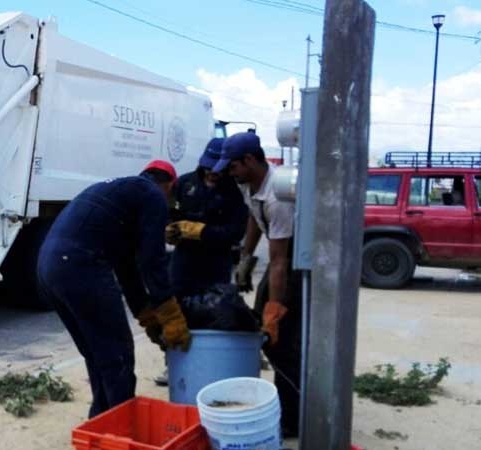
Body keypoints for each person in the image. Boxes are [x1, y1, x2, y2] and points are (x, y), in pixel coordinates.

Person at [37, 160, 192, 418]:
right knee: (117, 355)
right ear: (169, 186)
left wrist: (145, 315)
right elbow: (152, 260)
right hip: (80, 265)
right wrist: (169, 313)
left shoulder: (122, 195)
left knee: (98, 353)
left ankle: (101, 421)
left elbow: (127, 268)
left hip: (47, 266)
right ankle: (122, 428)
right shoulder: (153, 195)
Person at [213, 132, 302, 438]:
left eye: (233, 166)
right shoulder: (250, 185)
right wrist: (246, 257)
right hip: (281, 261)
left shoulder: (279, 197)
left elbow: (279, 261)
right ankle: (285, 406)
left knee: (282, 341)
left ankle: (293, 420)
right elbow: (254, 218)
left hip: (297, 264)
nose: (230, 172)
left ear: (250, 160)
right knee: (267, 333)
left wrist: (274, 312)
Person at [166, 137, 250, 295]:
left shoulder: (236, 192)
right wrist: (169, 230)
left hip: (216, 263)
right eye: (208, 167)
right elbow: (168, 213)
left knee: (215, 311)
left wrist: (202, 231)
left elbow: (236, 233)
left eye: (217, 168)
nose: (212, 172)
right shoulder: (184, 183)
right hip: (183, 261)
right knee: (179, 308)